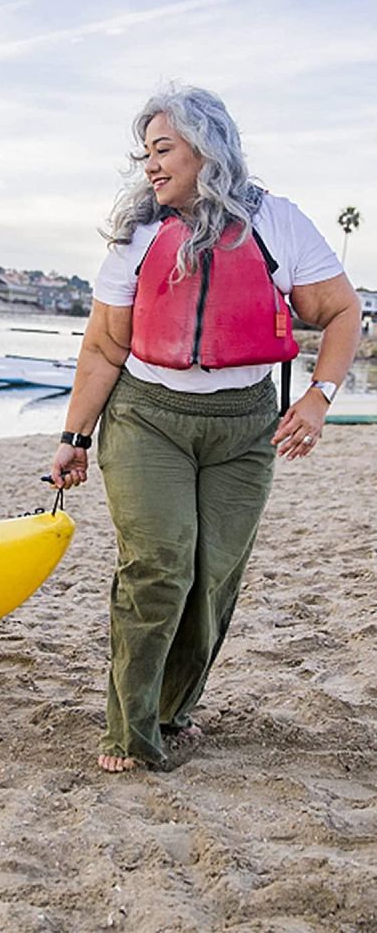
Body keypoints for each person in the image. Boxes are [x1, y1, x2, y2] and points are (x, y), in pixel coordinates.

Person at [49, 85, 361, 773]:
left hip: (243, 426)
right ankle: (130, 731)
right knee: (160, 564)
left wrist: (318, 398)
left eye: (164, 150)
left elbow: (341, 313)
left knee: (212, 575)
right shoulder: (136, 234)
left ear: (206, 150)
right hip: (146, 418)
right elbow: (103, 347)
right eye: (146, 154)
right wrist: (74, 438)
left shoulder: (277, 224)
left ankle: (172, 712)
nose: (151, 167)